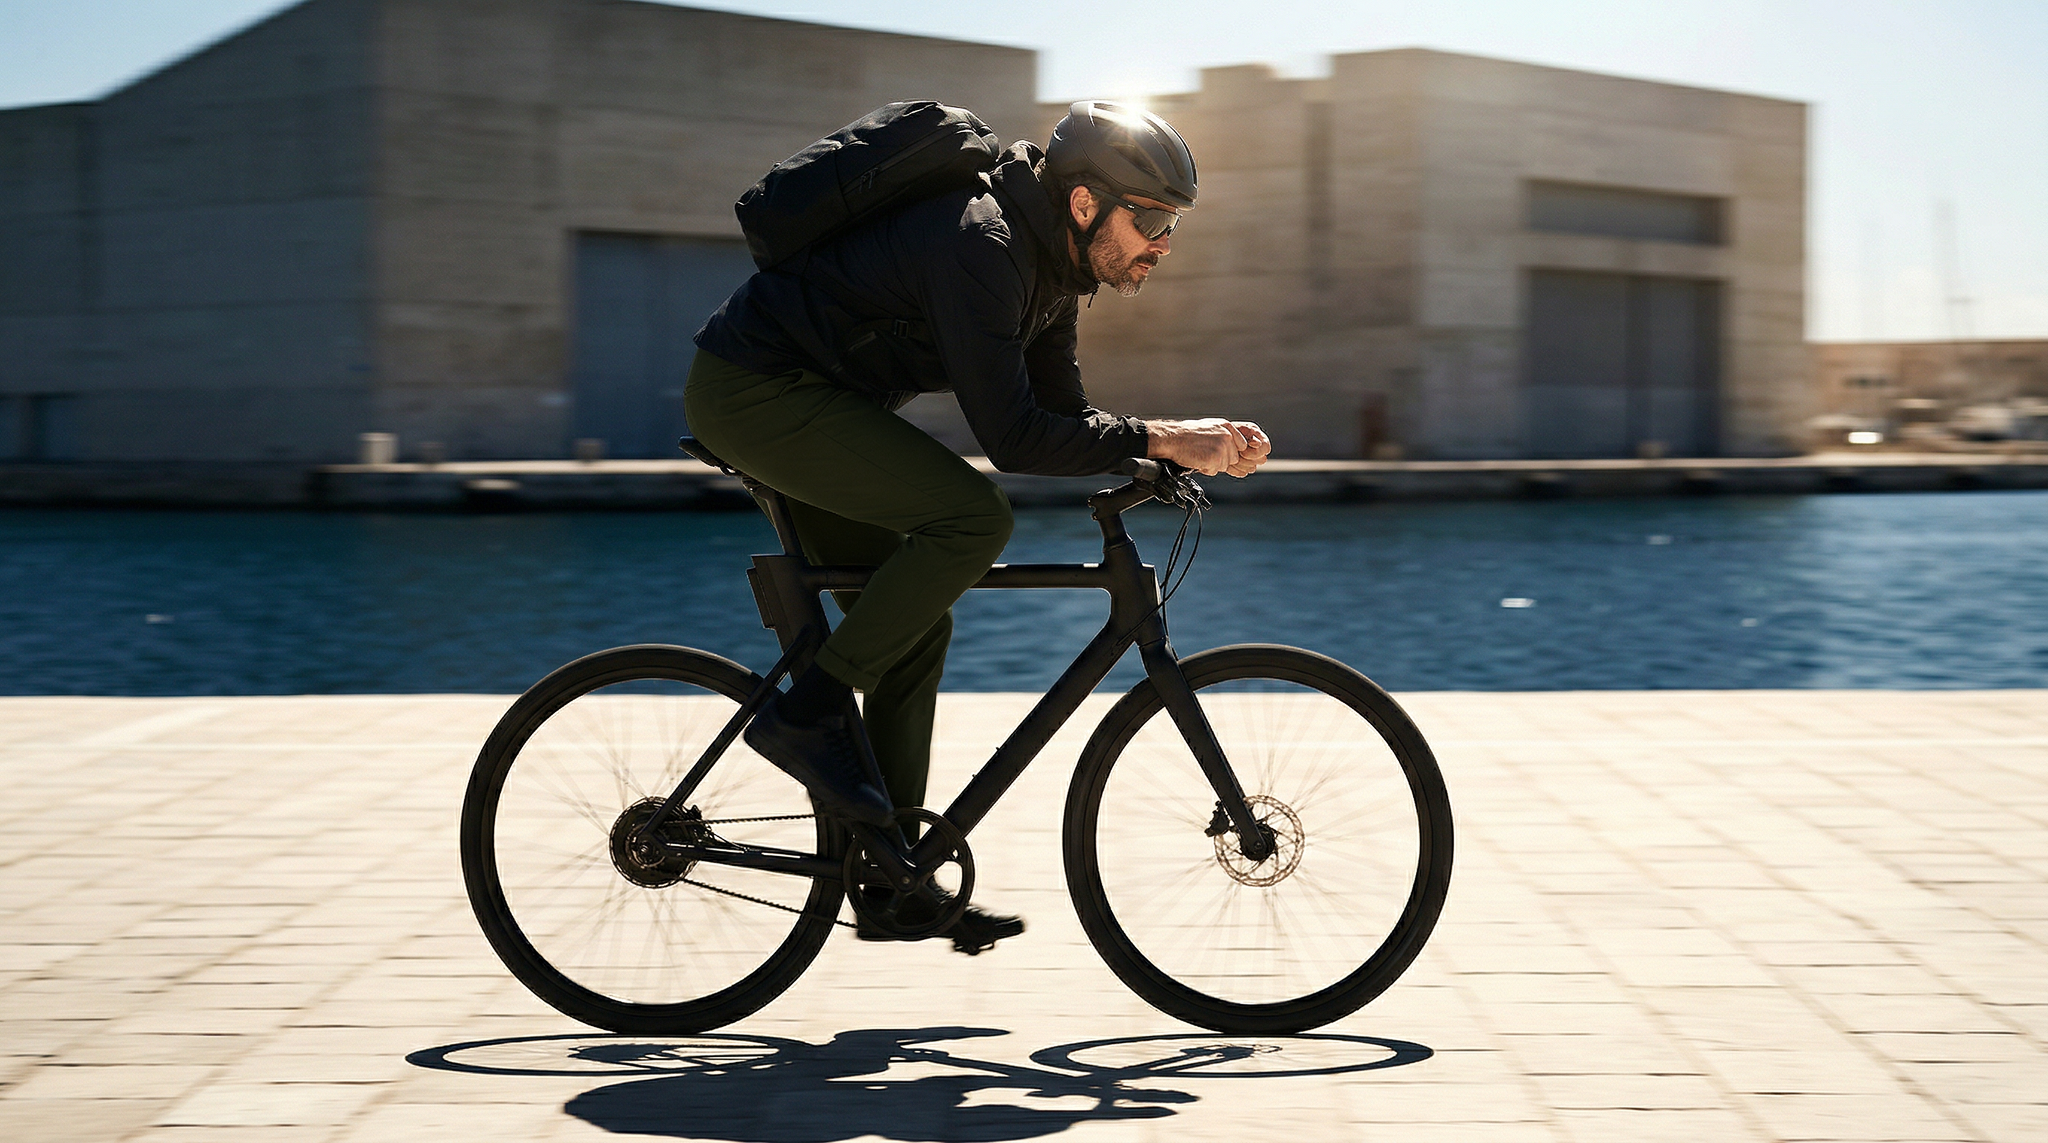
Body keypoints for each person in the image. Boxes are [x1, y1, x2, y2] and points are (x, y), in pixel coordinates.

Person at [685, 101, 1271, 952]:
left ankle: (891, 881)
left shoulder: (1053, 277)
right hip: (755, 391)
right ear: (1084, 205)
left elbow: (1063, 415)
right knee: (969, 519)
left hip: (819, 404)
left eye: (1171, 225)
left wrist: (1163, 453)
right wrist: (1164, 437)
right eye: (1152, 221)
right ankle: (806, 712)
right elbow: (1011, 439)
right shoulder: (983, 246)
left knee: (915, 622)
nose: (1163, 244)